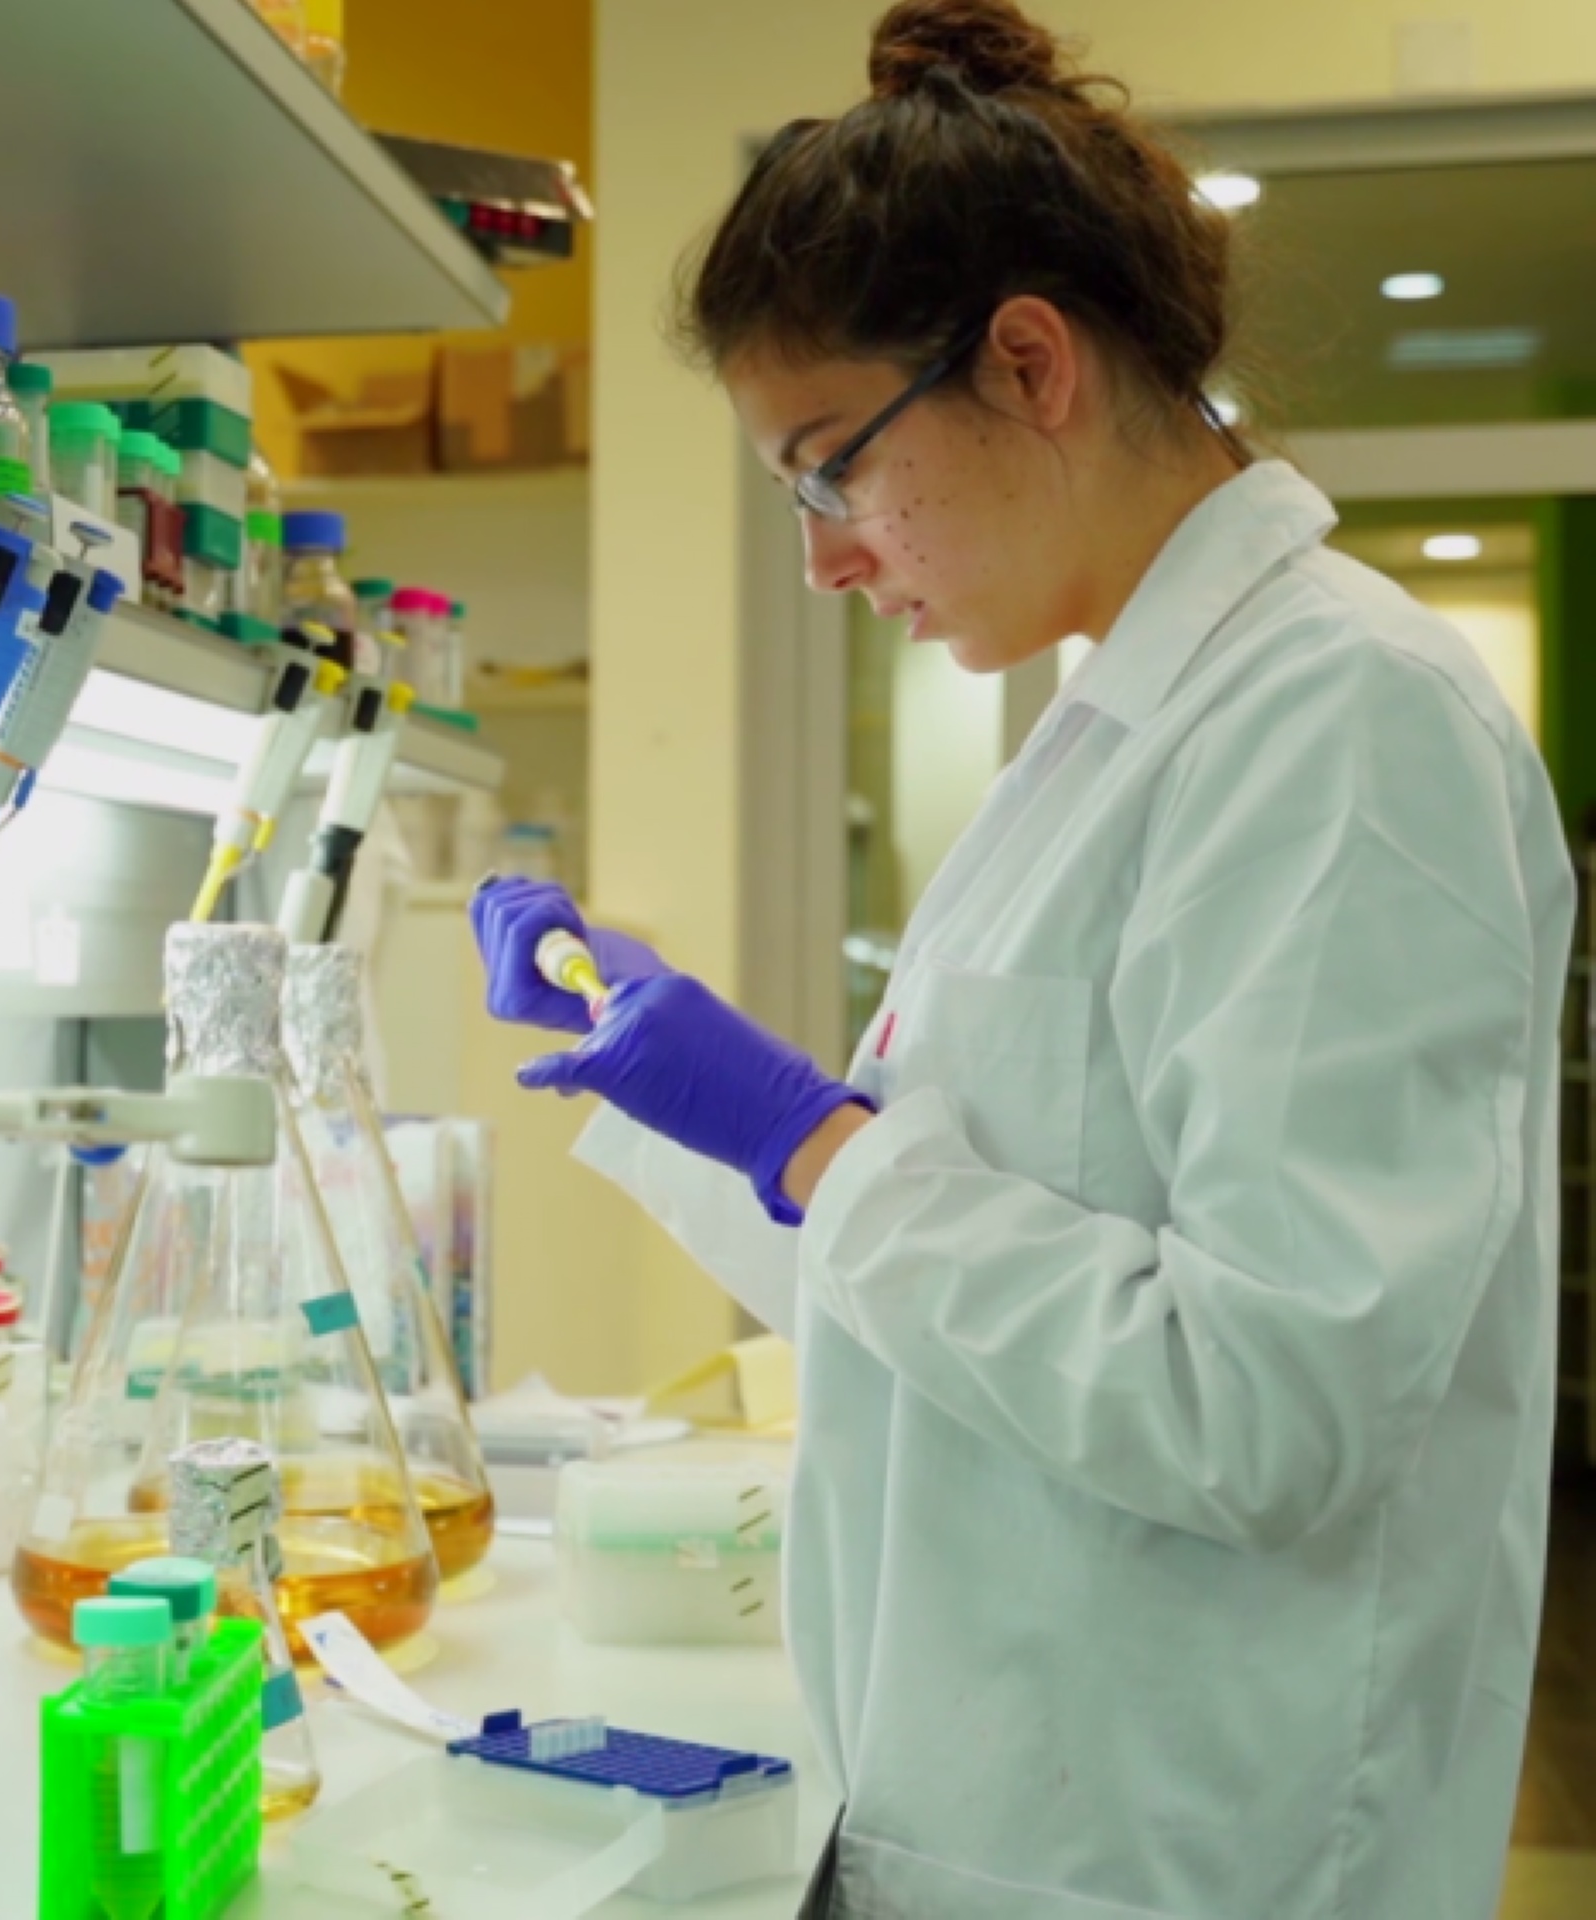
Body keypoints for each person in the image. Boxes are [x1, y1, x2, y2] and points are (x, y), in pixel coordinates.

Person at [472, 4, 1571, 1916]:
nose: (824, 558)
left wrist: (815, 1142)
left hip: (1190, 1850)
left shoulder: (1342, 721)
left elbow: (1266, 1409)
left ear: (1030, 364)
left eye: (829, 468)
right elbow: (951, 1292)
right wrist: (698, 1110)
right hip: (1008, 1803)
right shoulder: (1117, 727)